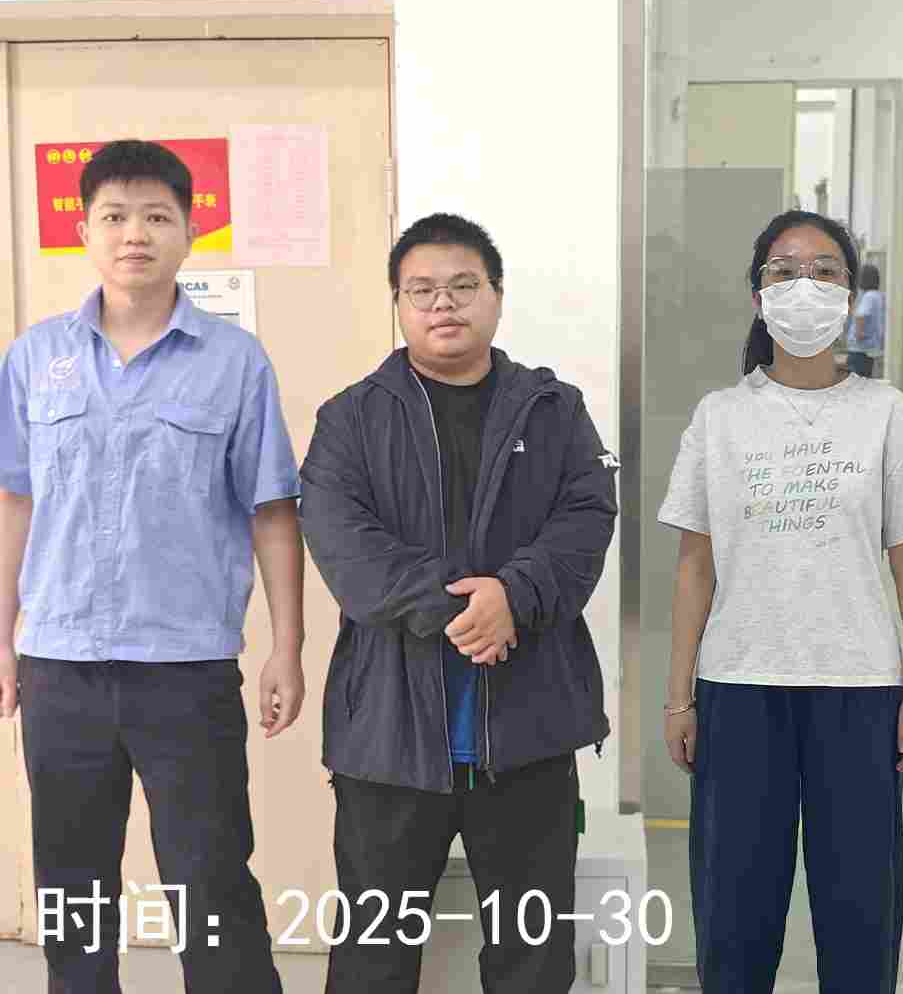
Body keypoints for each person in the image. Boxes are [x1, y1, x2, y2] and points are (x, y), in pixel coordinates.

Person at [0, 140, 304, 993]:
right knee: (72, 883)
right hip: (60, 663)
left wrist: (287, 647)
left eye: (157, 216)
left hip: (185, 668)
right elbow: (15, 502)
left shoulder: (234, 362)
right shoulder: (34, 359)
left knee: (212, 879)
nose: (135, 234)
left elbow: (272, 510)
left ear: (190, 232)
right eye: (114, 216)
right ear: (85, 231)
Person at [299, 212, 617, 994]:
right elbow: (346, 548)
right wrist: (472, 612)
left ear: (497, 296)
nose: (443, 304)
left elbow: (586, 519)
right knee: (373, 953)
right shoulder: (350, 418)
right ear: (399, 305)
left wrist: (516, 594)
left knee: (532, 955)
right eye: (422, 290)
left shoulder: (554, 410)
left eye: (464, 286)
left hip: (530, 726)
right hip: (390, 733)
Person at [658, 210, 903, 994]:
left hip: (859, 689)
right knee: (733, 911)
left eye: (825, 271)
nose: (804, 286)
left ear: (850, 297)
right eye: (784, 270)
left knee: (860, 910)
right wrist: (679, 697)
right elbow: (695, 567)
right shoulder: (720, 417)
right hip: (738, 686)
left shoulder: (885, 412)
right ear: (758, 296)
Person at [846, 261, 885, 379]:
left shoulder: (869, 296)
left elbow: (860, 315)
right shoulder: (879, 295)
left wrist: (859, 333)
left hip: (859, 349)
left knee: (855, 382)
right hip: (870, 349)